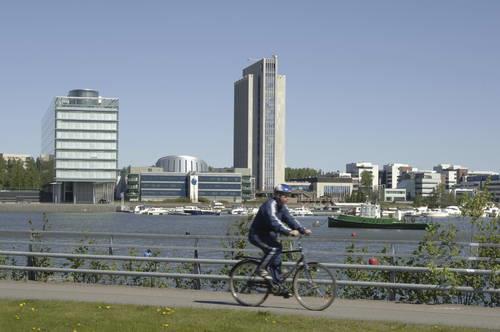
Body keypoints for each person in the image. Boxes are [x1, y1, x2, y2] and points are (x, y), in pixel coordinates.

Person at [248, 184, 312, 297]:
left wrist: (302, 230)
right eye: (285, 195)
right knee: (275, 249)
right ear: (277, 195)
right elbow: (273, 221)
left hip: (269, 237)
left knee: (276, 259)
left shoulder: (282, 207)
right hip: (257, 235)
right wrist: (289, 232)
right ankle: (260, 269)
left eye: (289, 195)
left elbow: (290, 219)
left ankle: (276, 286)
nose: (287, 198)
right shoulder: (269, 205)